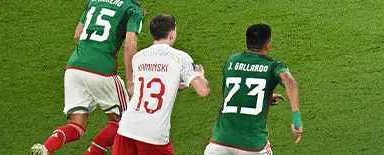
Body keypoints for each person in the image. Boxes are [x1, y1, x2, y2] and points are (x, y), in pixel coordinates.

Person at [33, 0, 149, 155]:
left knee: (77, 125)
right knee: (126, 121)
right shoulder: (134, 9)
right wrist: (130, 81)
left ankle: (45, 148)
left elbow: (78, 34)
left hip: (74, 67)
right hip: (101, 70)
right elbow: (131, 46)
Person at [113, 14, 210, 155]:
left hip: (127, 128)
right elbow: (204, 90)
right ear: (172, 34)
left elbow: (149, 87)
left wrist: (179, 85)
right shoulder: (179, 57)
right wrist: (200, 76)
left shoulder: (139, 57)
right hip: (153, 133)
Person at [206, 24, 303, 155]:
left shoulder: (231, 61)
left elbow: (230, 96)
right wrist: (296, 117)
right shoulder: (272, 66)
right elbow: (289, 80)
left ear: (246, 42)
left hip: (219, 144)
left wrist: (263, 96)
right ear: (269, 44)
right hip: (252, 146)